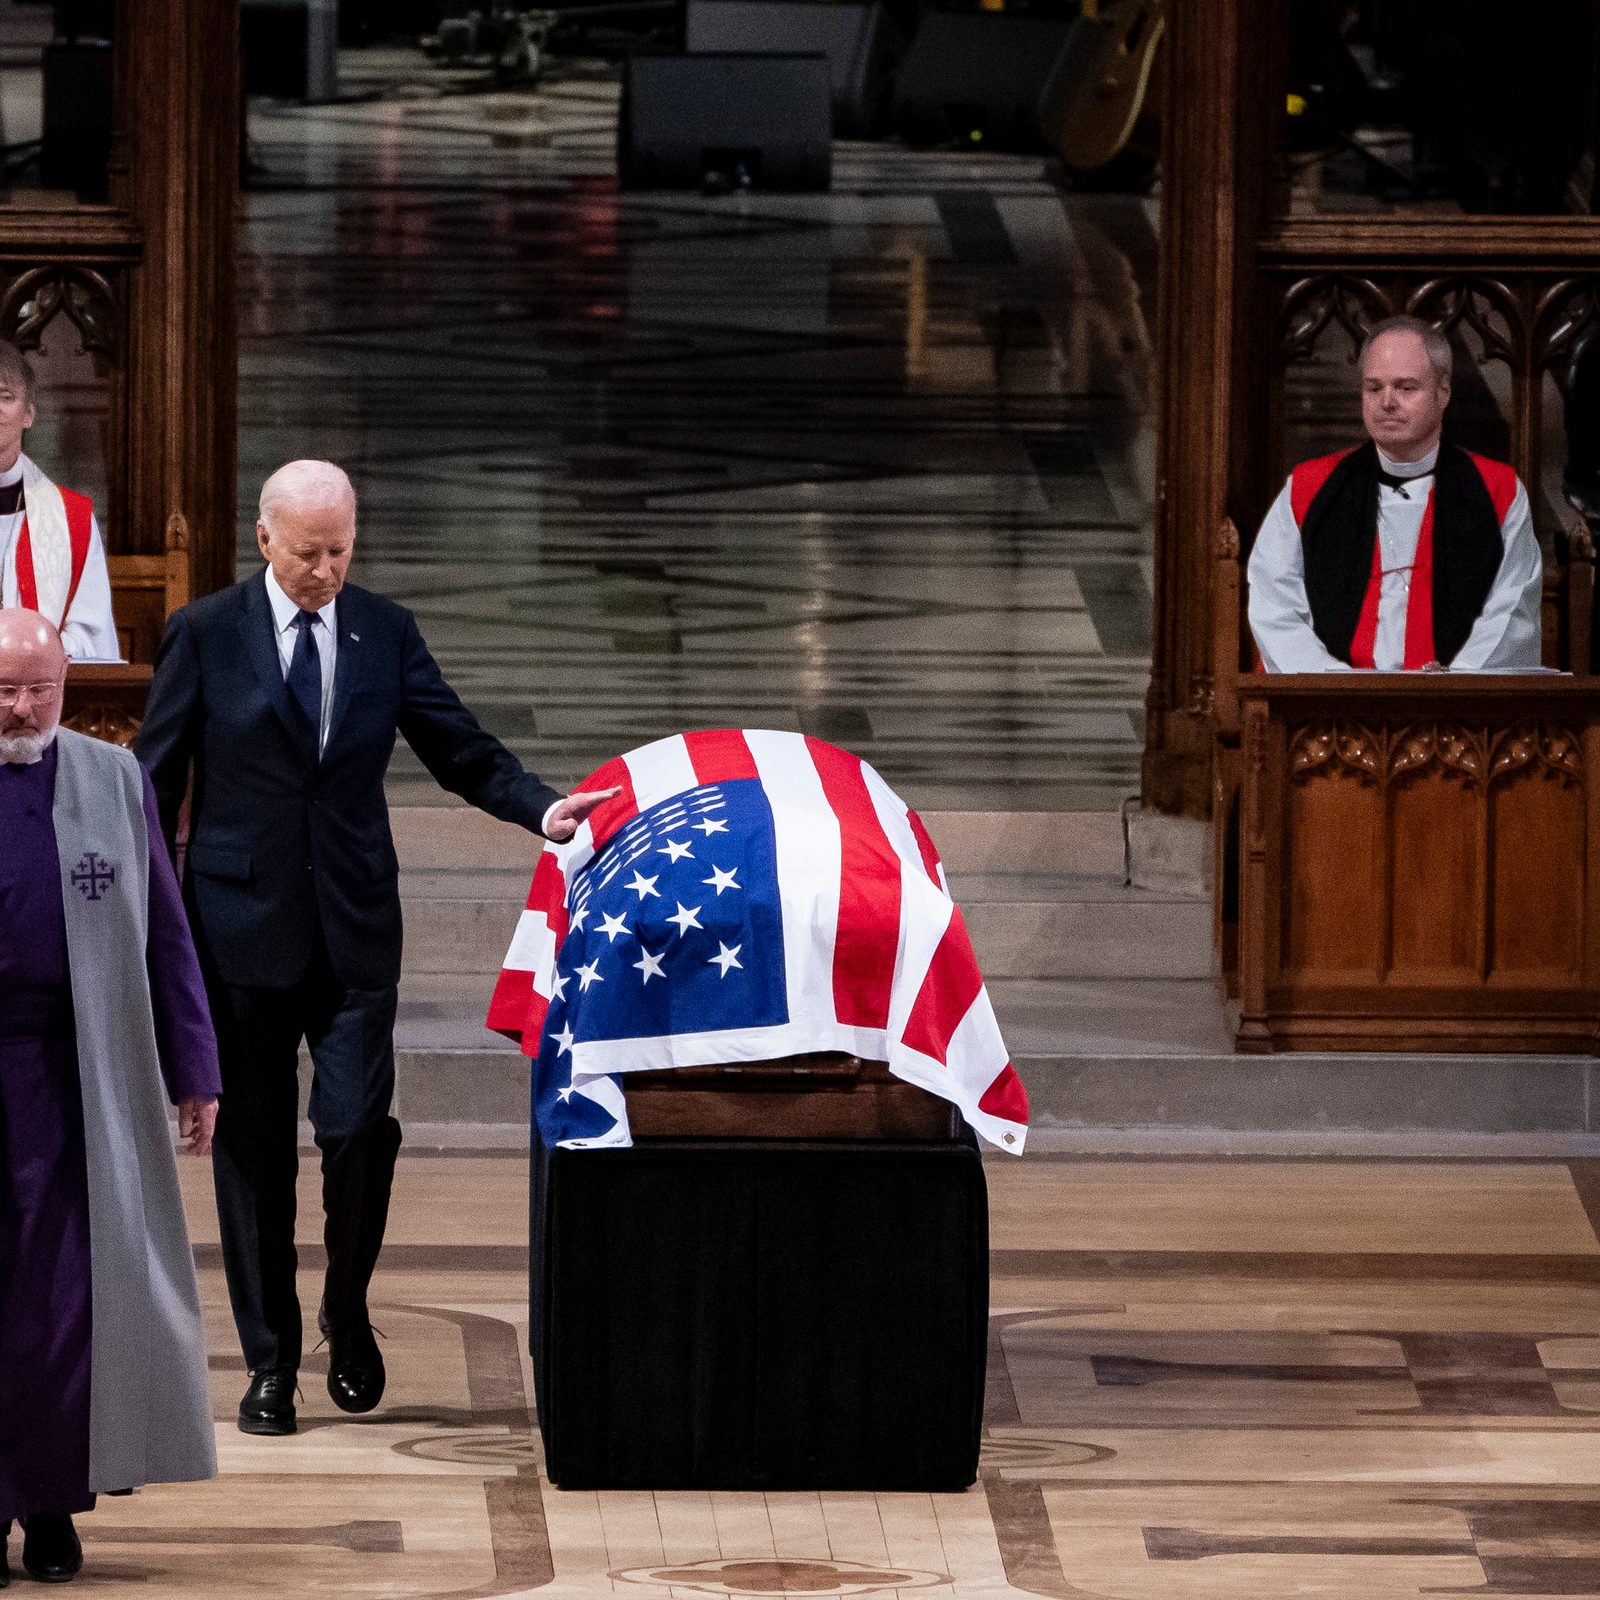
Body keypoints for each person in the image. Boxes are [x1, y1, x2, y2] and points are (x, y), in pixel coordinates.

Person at [133, 460, 615, 1439]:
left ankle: (345, 1312)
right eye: (308, 552)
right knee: (254, 1154)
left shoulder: (383, 631)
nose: (324, 570)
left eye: (340, 550)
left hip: (354, 931)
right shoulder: (205, 633)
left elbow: (458, 747)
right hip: (237, 932)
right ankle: (270, 1363)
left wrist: (540, 808)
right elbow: (150, 777)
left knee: (355, 1133)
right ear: (264, 539)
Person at [0, 611, 219, 1587]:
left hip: (70, 1077)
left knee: (57, 1306)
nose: (19, 708)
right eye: (2, 690)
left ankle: (51, 1506)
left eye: (37, 688)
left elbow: (167, 934)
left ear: (64, 683)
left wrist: (195, 1067)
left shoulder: (109, 778)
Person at [1247, 315, 1543, 673]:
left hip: (1456, 709)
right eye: (1374, 388)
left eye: (1406, 387)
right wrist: (1331, 682)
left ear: (1443, 391)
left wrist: (1458, 682)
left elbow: (1512, 610)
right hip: (1330, 708)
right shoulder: (1309, 488)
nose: (1387, 402)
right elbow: (1273, 602)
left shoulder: (1498, 491)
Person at [0, 342, 121, 662]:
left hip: (42, 702)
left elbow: (92, 641)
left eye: (5, 396)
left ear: (28, 414)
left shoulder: (72, 521)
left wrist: (23, 653)